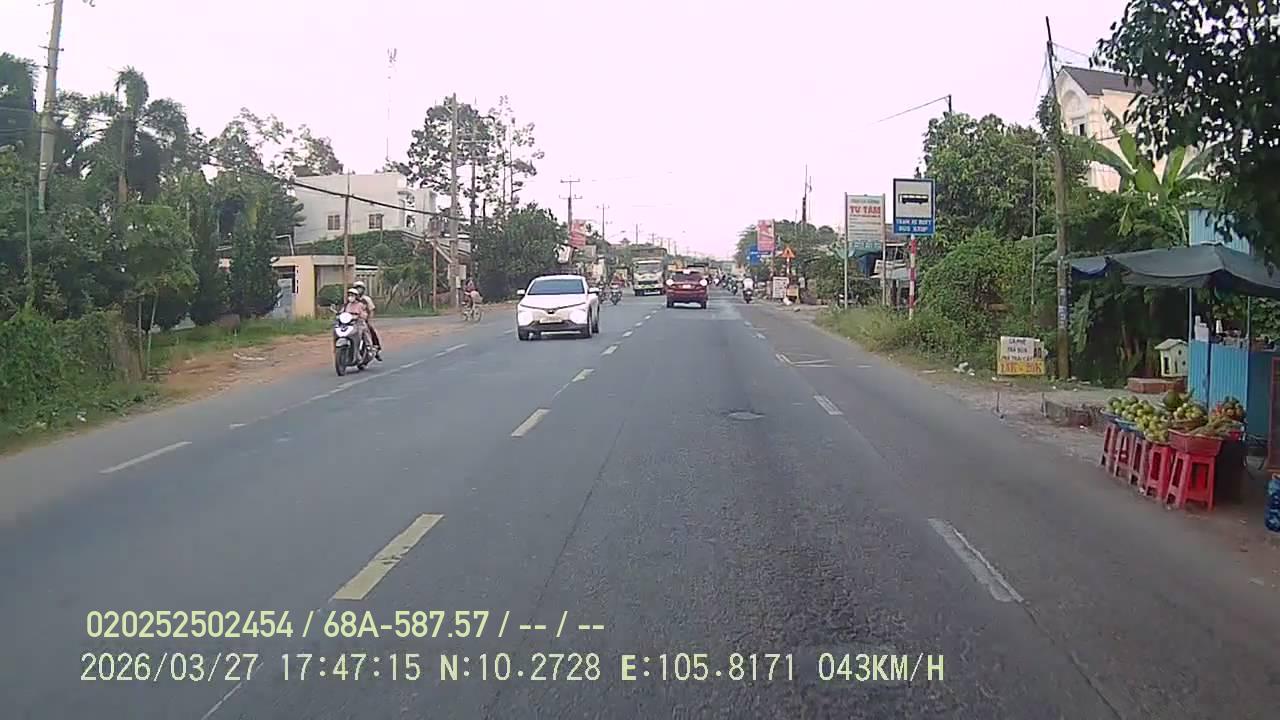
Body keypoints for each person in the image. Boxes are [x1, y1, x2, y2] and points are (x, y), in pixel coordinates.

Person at [353, 280, 382, 360]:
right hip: (352, 320)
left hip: (363, 320)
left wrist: (368, 320)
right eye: (357, 288)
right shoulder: (352, 299)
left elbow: (371, 310)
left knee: (371, 331)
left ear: (363, 289)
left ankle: (376, 348)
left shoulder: (366, 299)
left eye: (360, 288)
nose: (358, 290)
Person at [341, 288, 373, 356]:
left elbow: (364, 314)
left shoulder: (360, 305)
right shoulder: (347, 305)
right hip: (349, 323)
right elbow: (342, 312)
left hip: (358, 323)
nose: (350, 297)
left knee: (365, 331)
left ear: (356, 296)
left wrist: (361, 316)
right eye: (349, 295)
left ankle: (369, 347)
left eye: (352, 295)